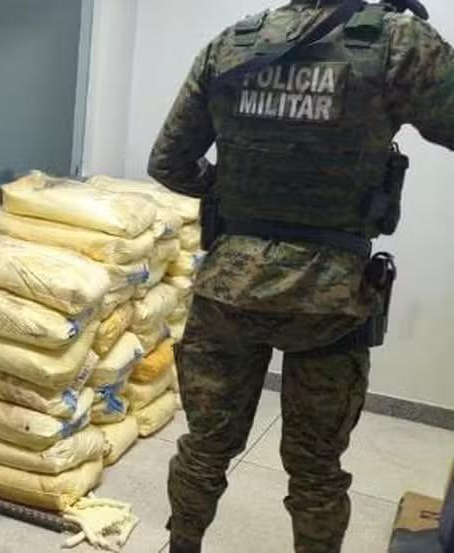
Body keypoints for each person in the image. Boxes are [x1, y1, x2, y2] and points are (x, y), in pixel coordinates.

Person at [147, 1, 454, 552]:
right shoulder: (397, 42)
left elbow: (168, 162)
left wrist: (231, 196)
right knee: (316, 470)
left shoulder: (232, 43)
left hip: (229, 288)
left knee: (204, 448)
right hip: (330, 299)